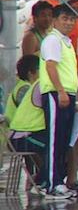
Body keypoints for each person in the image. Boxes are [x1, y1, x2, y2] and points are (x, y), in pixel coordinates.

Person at [6, 55, 46, 191]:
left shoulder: (27, 86)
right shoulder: (26, 89)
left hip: (24, 131)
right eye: (40, 68)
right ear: (31, 73)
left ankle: (41, 177)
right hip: (20, 134)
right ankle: (41, 179)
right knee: (53, 147)